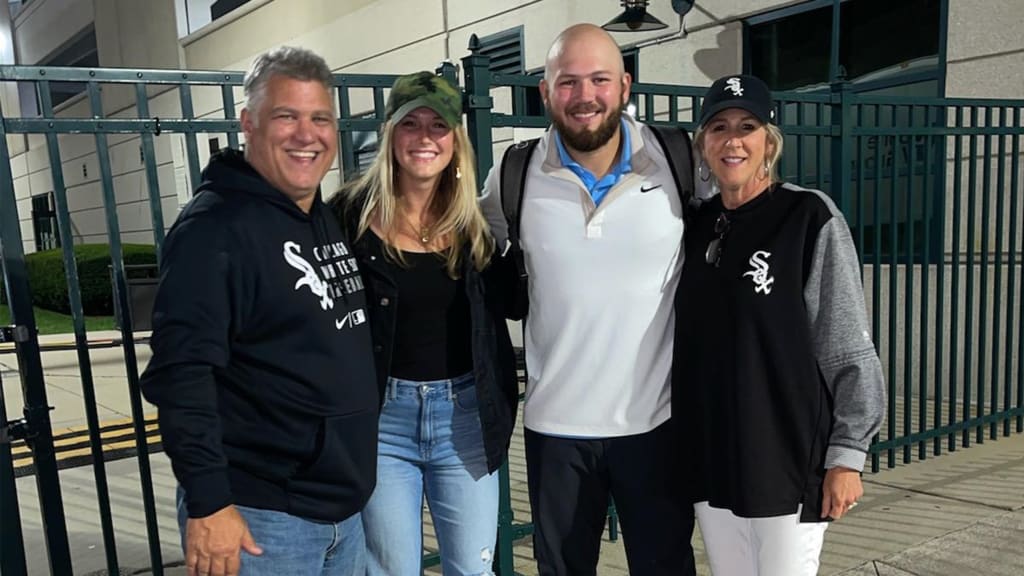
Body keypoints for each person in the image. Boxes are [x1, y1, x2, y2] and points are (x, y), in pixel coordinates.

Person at [140, 46, 378, 576]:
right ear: (248, 122)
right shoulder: (214, 230)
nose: (306, 133)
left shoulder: (318, 213)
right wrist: (209, 503)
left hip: (341, 513)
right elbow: (182, 375)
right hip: (262, 519)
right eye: (285, 116)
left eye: (320, 118)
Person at [479, 23, 696, 576]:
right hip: (557, 429)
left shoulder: (678, 162)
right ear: (546, 92)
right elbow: (464, 249)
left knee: (666, 566)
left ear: (625, 86)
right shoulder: (514, 173)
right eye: (568, 81)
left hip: (655, 424)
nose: (584, 96)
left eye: (599, 79)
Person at [674, 73, 886, 576]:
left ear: (768, 142)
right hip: (715, 458)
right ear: (703, 143)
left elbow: (847, 346)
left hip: (788, 458)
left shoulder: (807, 217)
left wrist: (847, 456)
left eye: (747, 126)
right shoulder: (693, 225)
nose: (733, 140)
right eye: (719, 126)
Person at [329, 71, 519, 576]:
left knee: (472, 569)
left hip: (465, 419)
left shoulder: (475, 225)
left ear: (455, 139)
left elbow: (519, 300)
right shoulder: (347, 216)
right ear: (390, 133)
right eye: (410, 123)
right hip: (382, 423)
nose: (425, 136)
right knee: (391, 570)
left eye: (438, 124)